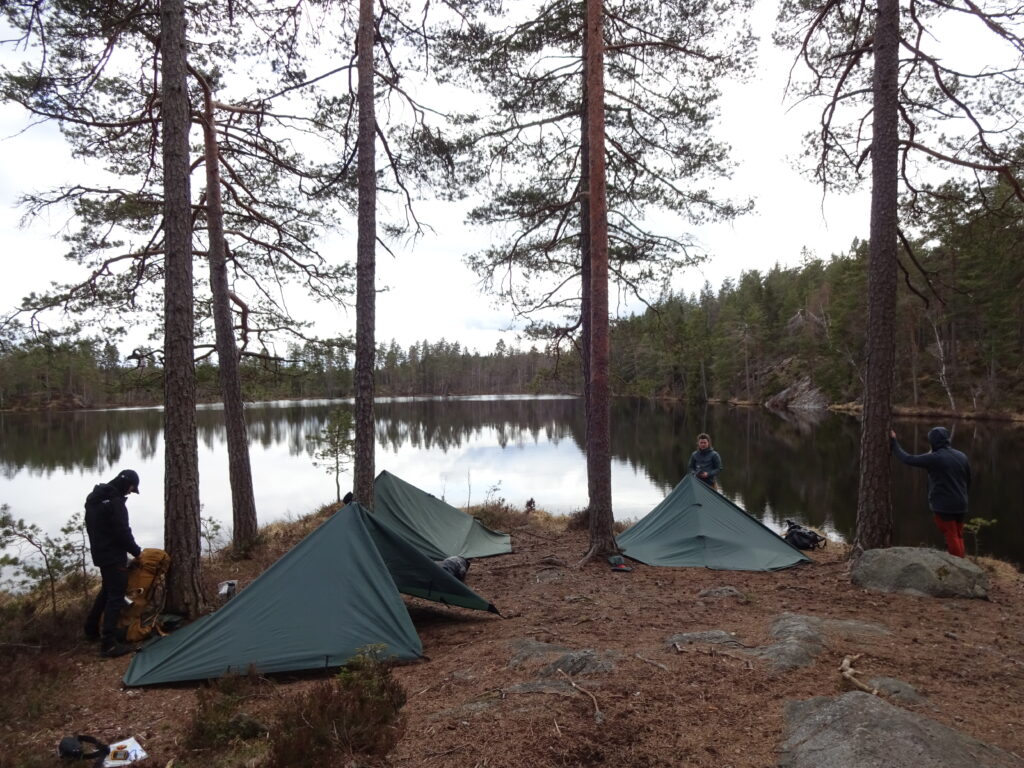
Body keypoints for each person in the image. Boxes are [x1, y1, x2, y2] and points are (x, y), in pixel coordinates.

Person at [83, 469, 143, 657]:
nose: (130, 493)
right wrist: (137, 552)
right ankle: (108, 644)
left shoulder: (94, 500)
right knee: (115, 597)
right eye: (131, 489)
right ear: (127, 484)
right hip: (113, 556)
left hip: (100, 554)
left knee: (106, 592)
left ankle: (91, 630)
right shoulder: (115, 504)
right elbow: (122, 532)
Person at [890, 427, 971, 558]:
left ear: (933, 442)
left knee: (951, 535)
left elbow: (908, 459)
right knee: (958, 533)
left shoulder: (935, 458)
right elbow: (968, 480)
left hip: (945, 505)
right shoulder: (962, 456)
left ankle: (957, 565)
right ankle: (961, 562)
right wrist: (963, 496)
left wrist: (893, 442)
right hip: (962, 503)